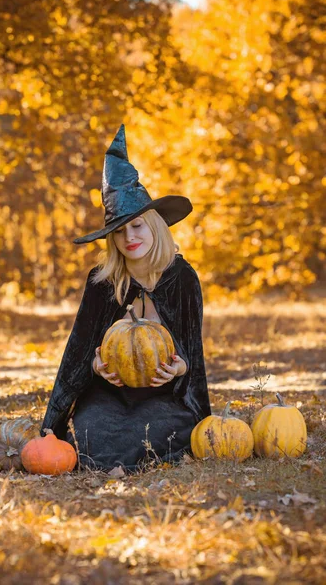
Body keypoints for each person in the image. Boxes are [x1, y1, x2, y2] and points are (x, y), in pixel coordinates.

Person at [41, 124, 211, 472]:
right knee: (92, 432)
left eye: (136, 226)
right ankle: (105, 457)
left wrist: (178, 368)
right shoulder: (102, 281)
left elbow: (191, 354)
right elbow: (78, 352)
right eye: (118, 232)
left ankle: (130, 458)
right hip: (108, 393)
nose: (129, 237)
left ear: (154, 225)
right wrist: (95, 366)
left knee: (153, 431)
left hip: (164, 396)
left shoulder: (181, 279)